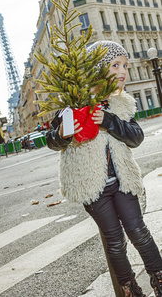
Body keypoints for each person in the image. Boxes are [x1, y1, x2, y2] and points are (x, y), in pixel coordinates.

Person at [45, 41, 162, 297]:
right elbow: (52, 141)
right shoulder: (72, 104)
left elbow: (136, 137)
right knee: (115, 241)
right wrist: (63, 134)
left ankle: (160, 279)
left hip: (122, 181)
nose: (123, 71)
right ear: (98, 69)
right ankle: (129, 289)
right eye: (115, 65)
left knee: (138, 231)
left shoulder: (121, 104)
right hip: (92, 186)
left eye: (125, 66)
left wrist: (109, 121)